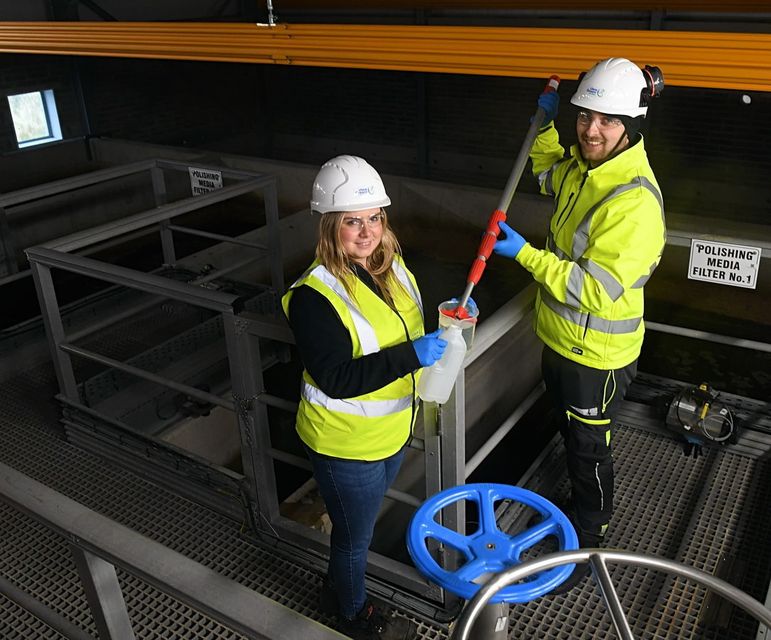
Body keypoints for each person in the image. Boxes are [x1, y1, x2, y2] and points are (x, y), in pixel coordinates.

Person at [493, 58, 666, 591]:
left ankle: (590, 543)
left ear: (630, 126)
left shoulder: (633, 202)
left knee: (590, 452)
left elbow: (593, 289)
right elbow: (549, 172)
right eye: (585, 116)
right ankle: (579, 511)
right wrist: (544, 127)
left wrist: (525, 255)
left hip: (597, 358)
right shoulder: (586, 168)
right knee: (572, 437)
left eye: (607, 120)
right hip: (562, 340)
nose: (591, 130)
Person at [282, 155, 445, 639]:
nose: (367, 231)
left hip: (390, 431)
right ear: (330, 226)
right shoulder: (314, 295)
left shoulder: (392, 268)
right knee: (355, 540)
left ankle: (336, 589)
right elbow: (336, 378)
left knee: (358, 530)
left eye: (374, 217)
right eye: (352, 221)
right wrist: (412, 356)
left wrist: (451, 317)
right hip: (346, 444)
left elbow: (403, 328)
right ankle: (353, 615)